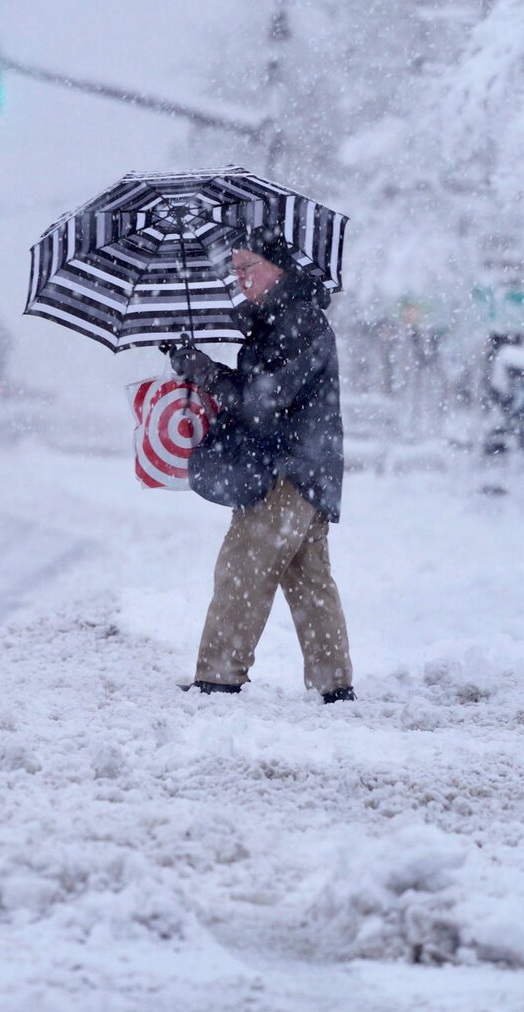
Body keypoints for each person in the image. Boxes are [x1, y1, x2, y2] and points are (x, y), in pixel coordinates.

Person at [167, 227, 353, 703]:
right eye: (236, 272)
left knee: (241, 569)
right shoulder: (283, 321)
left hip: (284, 473)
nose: (242, 280)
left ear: (279, 268)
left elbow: (262, 402)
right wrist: (202, 365)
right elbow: (261, 394)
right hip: (310, 472)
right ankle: (334, 687)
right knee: (310, 582)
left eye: (249, 268)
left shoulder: (294, 322)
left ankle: (218, 678)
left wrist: (206, 373)